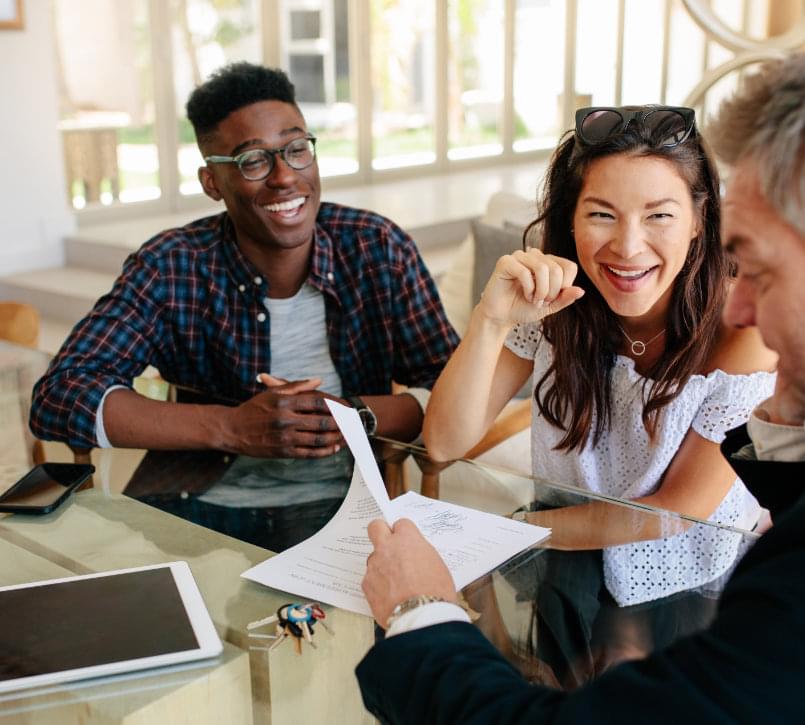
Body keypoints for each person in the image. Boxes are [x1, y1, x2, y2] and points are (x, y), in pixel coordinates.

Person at [356, 52, 805, 722]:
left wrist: (503, 533)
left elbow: (670, 510)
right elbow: (444, 440)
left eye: (658, 215)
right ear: (569, 220)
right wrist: (491, 317)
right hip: (565, 553)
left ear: (698, 218)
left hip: (683, 571)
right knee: (551, 689)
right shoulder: (557, 308)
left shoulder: (738, 330)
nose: (626, 246)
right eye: (600, 214)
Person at [29, 62, 458, 549]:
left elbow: (452, 390)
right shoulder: (173, 265)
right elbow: (59, 396)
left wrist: (352, 417)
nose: (284, 178)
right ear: (212, 181)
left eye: (296, 150)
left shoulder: (376, 247)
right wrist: (231, 427)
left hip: (350, 511)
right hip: (194, 506)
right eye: (253, 160)